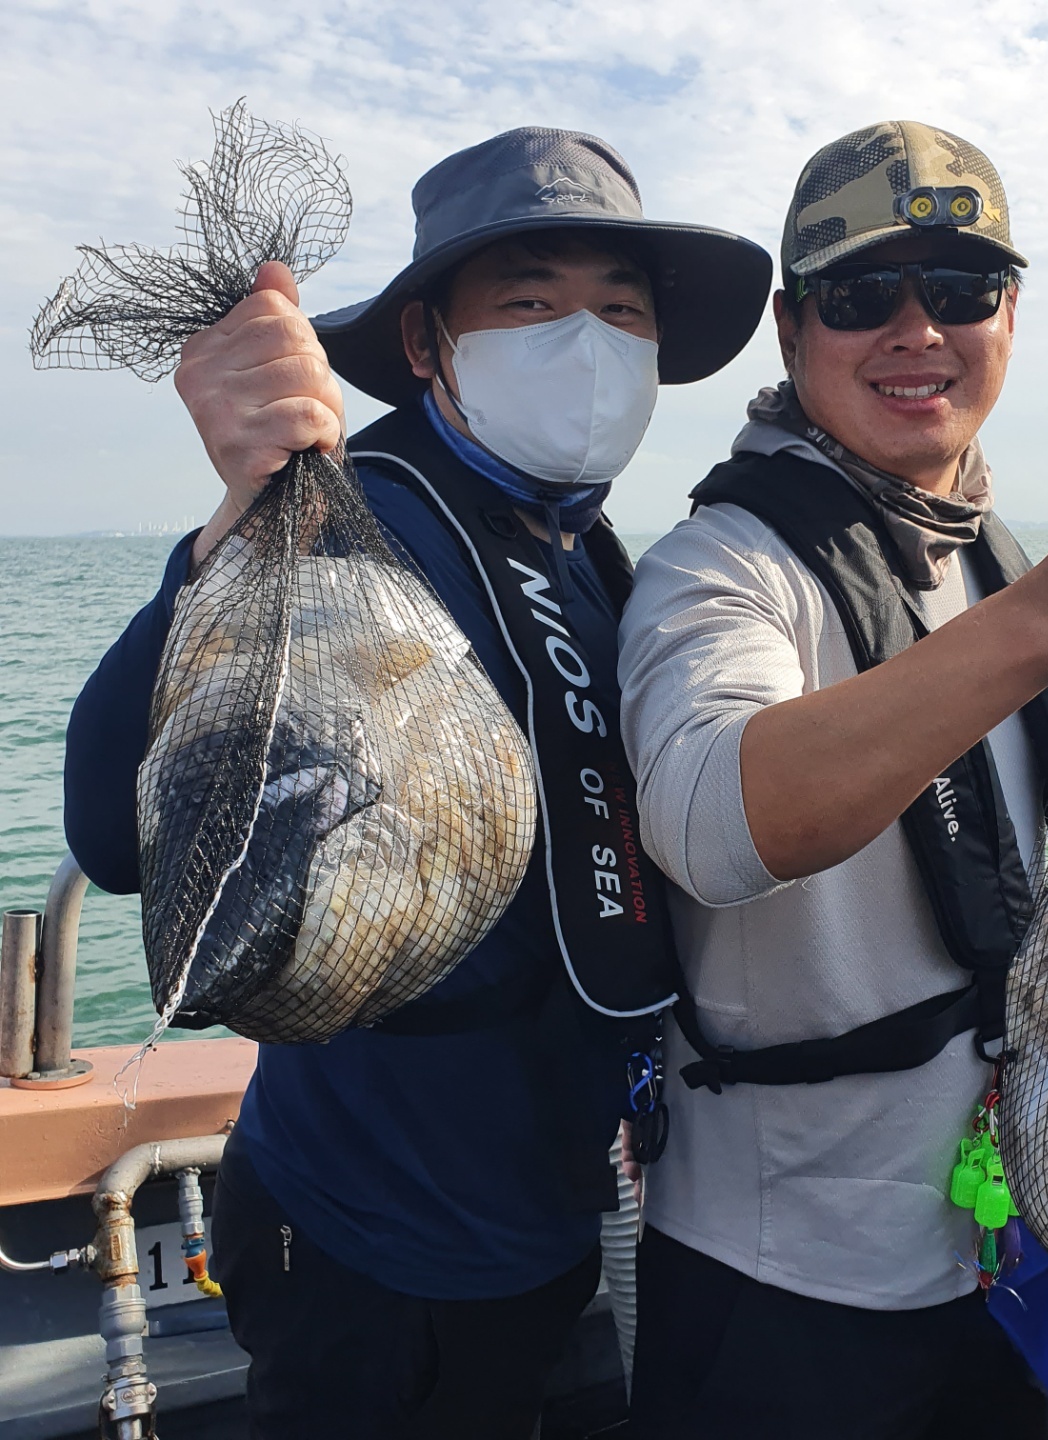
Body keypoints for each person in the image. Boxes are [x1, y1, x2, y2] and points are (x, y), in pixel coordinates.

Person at [63, 127, 770, 1439]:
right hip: (369, 1240)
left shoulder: (588, 556)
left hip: (544, 1216)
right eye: (531, 302)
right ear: (430, 344)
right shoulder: (359, 526)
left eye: (623, 311)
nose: (588, 342)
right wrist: (239, 518)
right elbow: (116, 831)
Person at [617, 120, 1048, 1438]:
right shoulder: (718, 568)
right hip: (784, 1289)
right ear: (792, 328)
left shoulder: (983, 557)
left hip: (1006, 1251)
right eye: (860, 295)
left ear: (1010, 316)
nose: (917, 331)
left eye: (960, 289)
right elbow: (712, 818)